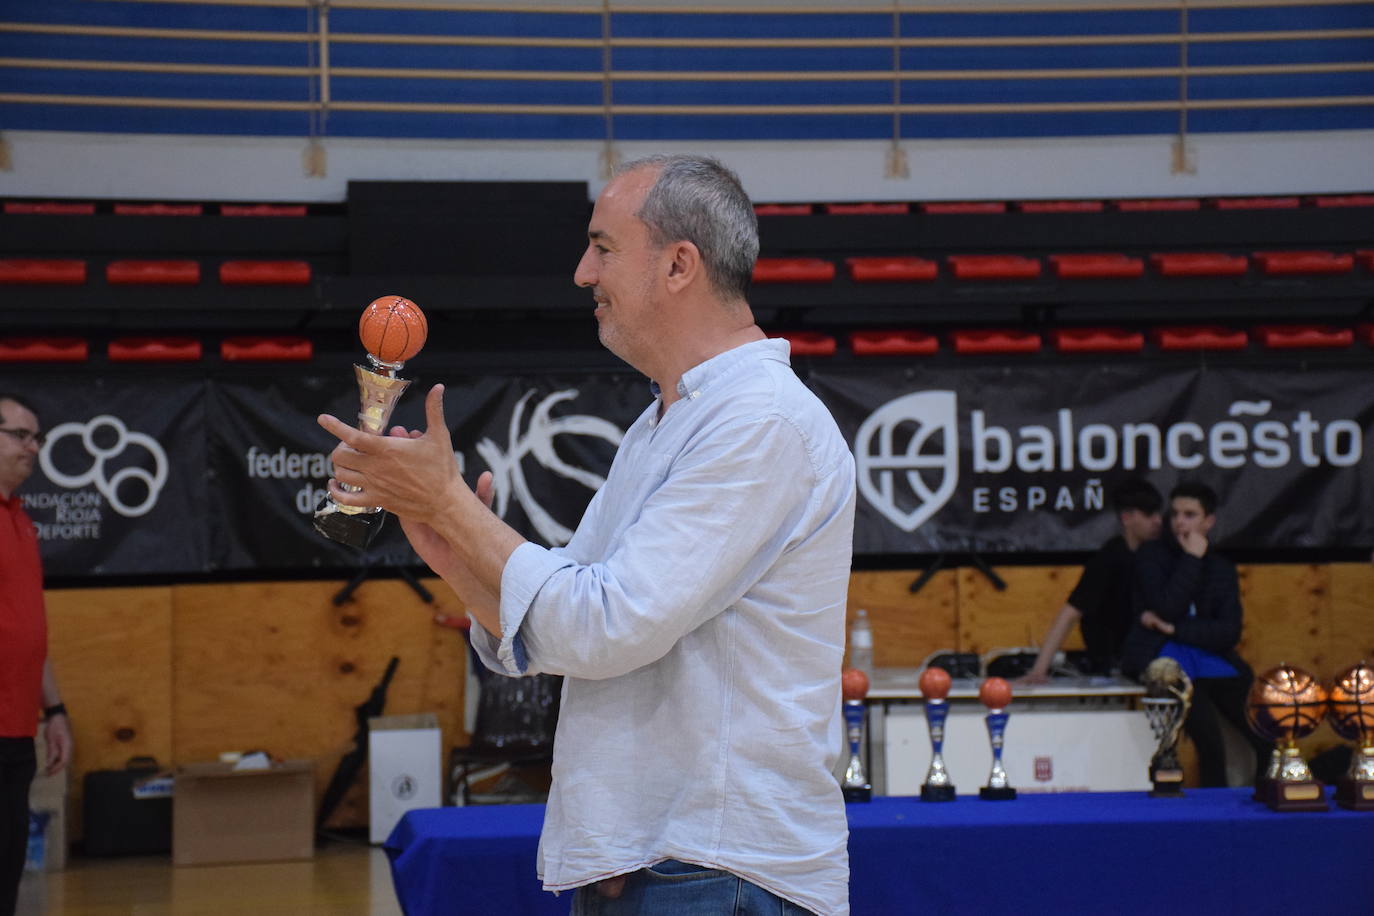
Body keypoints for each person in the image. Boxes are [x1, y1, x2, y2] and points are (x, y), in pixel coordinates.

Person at [320, 155, 856, 915]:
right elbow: (567, 625)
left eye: (602, 248)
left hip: (720, 869)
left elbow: (608, 626)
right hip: (657, 864)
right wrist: (451, 544)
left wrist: (452, 506)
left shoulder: (759, 420)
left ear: (678, 266)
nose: (580, 272)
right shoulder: (666, 421)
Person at [1121, 480, 1268, 788]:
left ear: (1208, 521)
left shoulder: (1221, 567)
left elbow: (1228, 632)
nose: (1179, 522)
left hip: (1212, 658)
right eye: (1174, 514)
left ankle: (1266, 801)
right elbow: (1166, 606)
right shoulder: (1151, 556)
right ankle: (1213, 815)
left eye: (1189, 515)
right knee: (1209, 743)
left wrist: (1176, 629)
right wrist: (1191, 559)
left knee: (1265, 735)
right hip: (1167, 660)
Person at [1, 393, 73, 916]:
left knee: (6, 868)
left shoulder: (22, 522)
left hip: (15, 730)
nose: (33, 447)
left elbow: (31, 631)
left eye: (37, 437)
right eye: (19, 436)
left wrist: (55, 710)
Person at [1019, 478, 1163, 685]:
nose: (1157, 521)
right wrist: (1039, 670)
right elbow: (1069, 613)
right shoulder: (1108, 559)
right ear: (1126, 518)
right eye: (1149, 515)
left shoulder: (1158, 554)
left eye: (1158, 513)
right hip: (1112, 660)